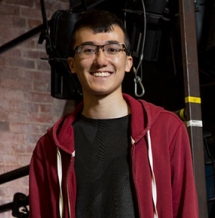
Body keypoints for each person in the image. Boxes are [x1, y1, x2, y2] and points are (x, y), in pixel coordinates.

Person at [29, 9, 199, 218]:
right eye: (88, 50)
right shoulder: (48, 148)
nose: (101, 60)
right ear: (72, 64)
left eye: (112, 49)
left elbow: (186, 210)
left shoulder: (166, 130)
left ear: (128, 62)